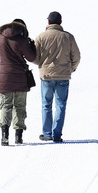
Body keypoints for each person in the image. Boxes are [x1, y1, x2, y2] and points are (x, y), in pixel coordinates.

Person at [34, 11, 81, 142]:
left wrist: (42, 65)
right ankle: (57, 134)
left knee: (46, 104)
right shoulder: (68, 37)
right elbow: (76, 56)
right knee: (61, 105)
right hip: (63, 76)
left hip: (46, 76)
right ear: (60, 22)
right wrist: (71, 68)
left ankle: (47, 133)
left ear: (48, 22)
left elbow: (34, 57)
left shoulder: (41, 37)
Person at [0, 19, 37, 146]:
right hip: (20, 78)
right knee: (19, 106)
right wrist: (31, 45)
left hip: (4, 78)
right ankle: (18, 136)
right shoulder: (22, 40)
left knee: (6, 106)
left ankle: (4, 136)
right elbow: (32, 57)